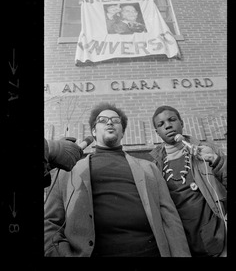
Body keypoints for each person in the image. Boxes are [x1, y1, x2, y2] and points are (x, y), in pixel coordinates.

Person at [44, 102, 191, 257]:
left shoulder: (150, 169)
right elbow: (50, 222)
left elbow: (171, 219)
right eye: (102, 120)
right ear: (94, 131)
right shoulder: (68, 170)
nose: (109, 122)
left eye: (115, 121)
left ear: (122, 132)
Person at [149, 105, 227, 257]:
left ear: (182, 123)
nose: (168, 125)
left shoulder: (207, 149)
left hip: (218, 238)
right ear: (157, 132)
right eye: (161, 124)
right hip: (183, 244)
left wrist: (216, 160)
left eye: (172, 120)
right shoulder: (154, 166)